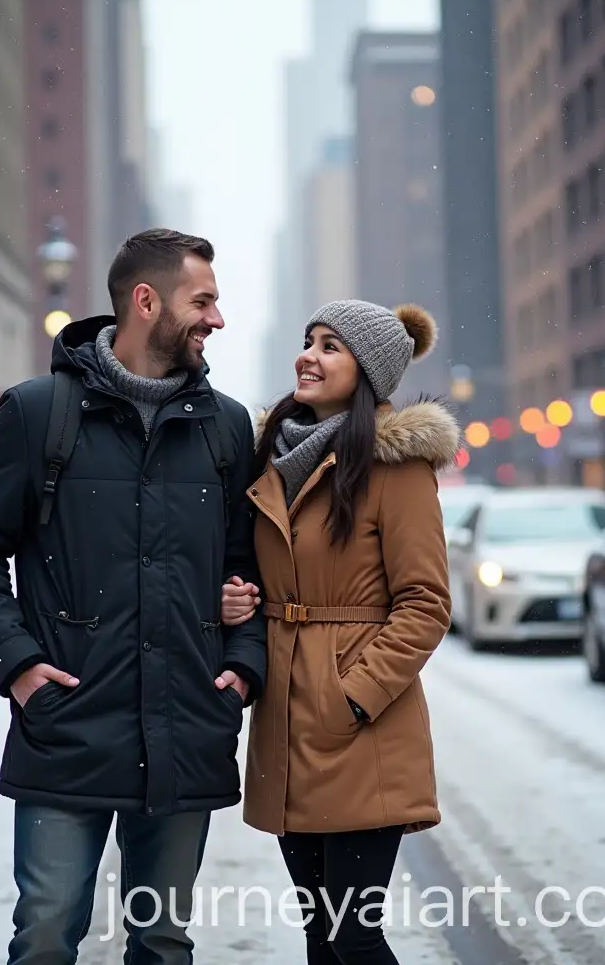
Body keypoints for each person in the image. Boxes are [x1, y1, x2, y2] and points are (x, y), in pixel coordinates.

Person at [0, 228, 267, 965]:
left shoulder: (226, 426)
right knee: (49, 934)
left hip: (187, 725)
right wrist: (19, 666)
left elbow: (254, 565)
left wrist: (241, 668)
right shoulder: (36, 413)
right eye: (204, 301)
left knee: (162, 940)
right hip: (67, 729)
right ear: (147, 302)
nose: (218, 319)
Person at [222, 300, 459, 964]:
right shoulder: (272, 457)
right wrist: (238, 601)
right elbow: (265, 573)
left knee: (354, 936)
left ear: (369, 372)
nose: (309, 355)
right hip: (284, 722)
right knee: (320, 935)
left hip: (359, 727)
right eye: (308, 341)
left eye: (331, 346)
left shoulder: (395, 467)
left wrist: (351, 695)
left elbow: (425, 601)